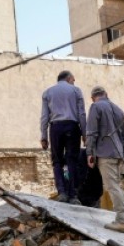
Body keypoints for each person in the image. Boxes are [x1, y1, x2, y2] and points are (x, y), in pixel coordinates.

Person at [85, 86, 124, 233]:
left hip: (105, 153)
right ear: (106, 94)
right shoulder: (118, 109)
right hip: (118, 153)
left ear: (93, 97)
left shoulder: (95, 107)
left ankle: (122, 221)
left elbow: (91, 132)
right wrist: (123, 154)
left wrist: (90, 153)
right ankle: (122, 218)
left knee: (112, 187)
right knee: (116, 186)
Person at [40, 70, 86, 205]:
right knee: (72, 161)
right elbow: (82, 114)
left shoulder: (48, 92)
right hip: (72, 126)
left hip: (55, 128)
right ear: (69, 78)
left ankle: (62, 192)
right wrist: (84, 133)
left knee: (57, 161)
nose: (74, 82)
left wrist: (43, 136)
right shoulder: (76, 91)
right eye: (73, 80)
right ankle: (73, 195)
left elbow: (44, 117)